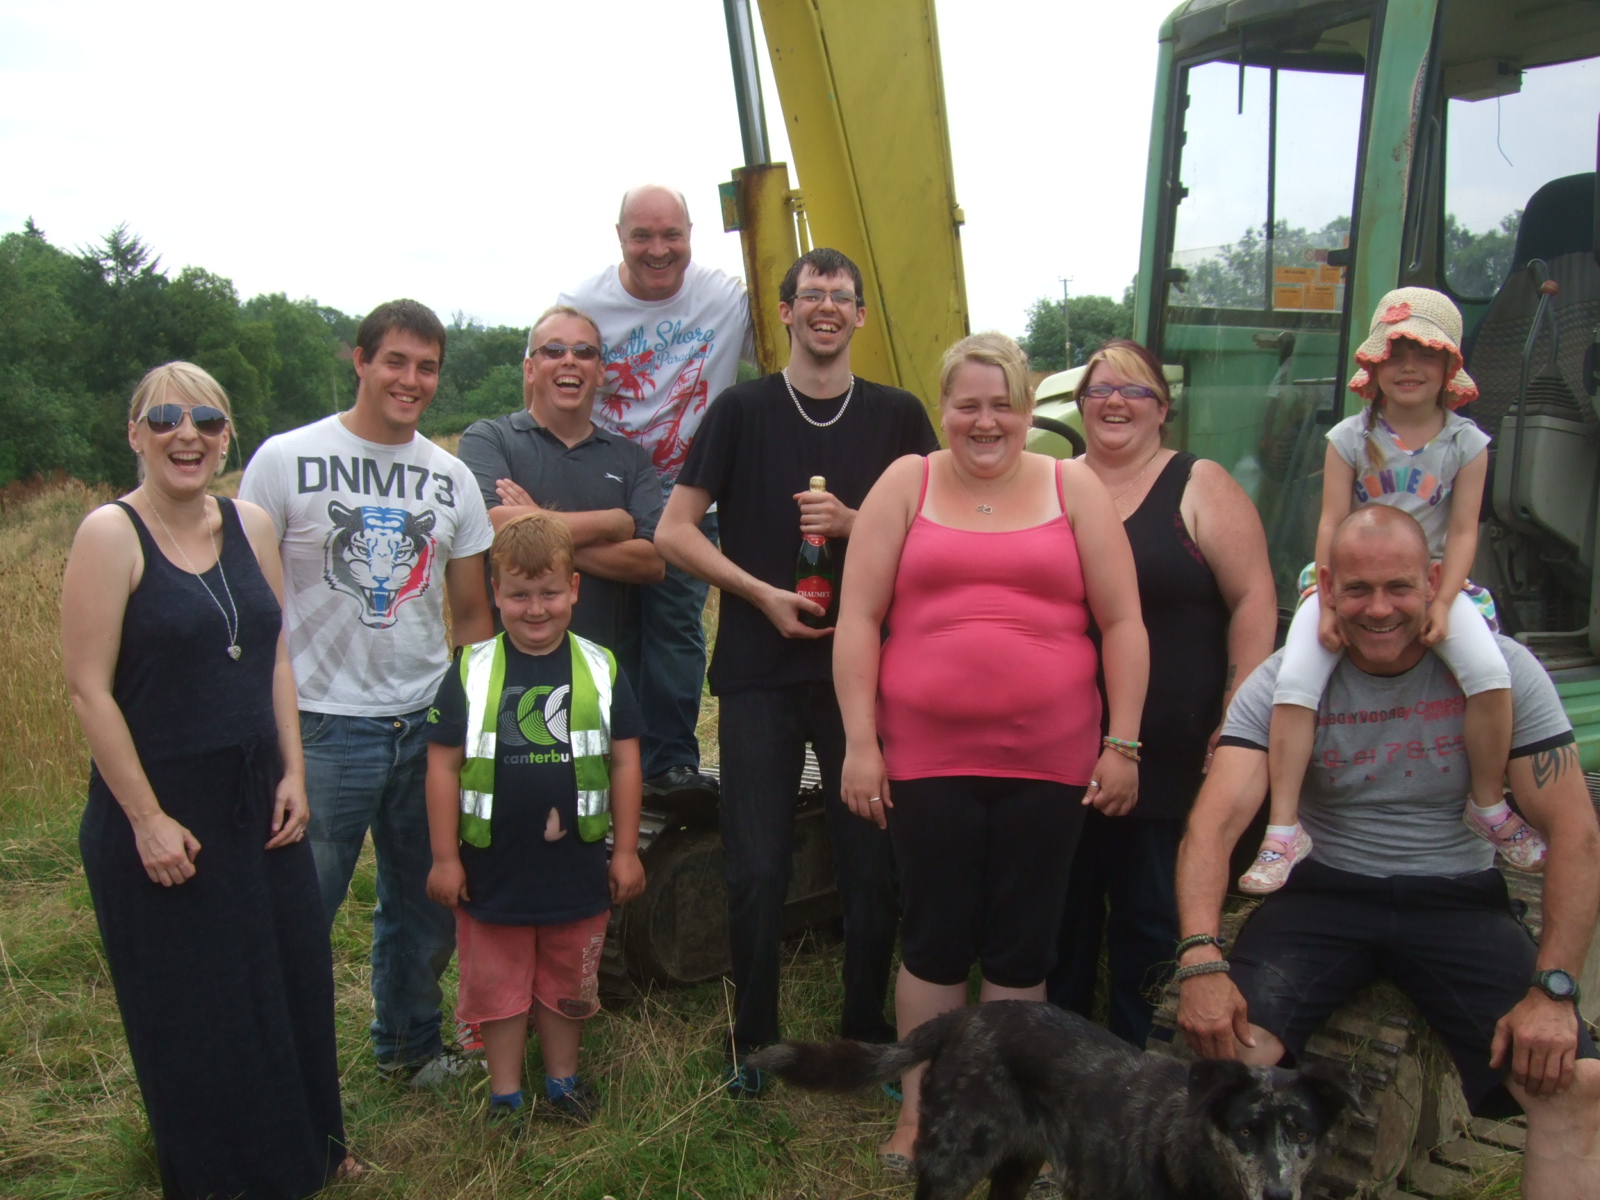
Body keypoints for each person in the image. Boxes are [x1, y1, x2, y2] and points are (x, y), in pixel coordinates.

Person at [1176, 506, 1600, 1200]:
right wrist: (1199, 957)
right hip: (1325, 891)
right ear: (1327, 588)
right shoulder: (1285, 682)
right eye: (1359, 590)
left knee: (1575, 1082)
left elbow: (1577, 834)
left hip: (1456, 894)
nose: (1379, 610)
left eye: (1400, 588)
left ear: (1436, 581)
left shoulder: (1504, 673)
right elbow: (1212, 826)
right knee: (1225, 1059)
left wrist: (1555, 990)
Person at [836, 331, 1148, 1170]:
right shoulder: (907, 481)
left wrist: (1123, 742)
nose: (985, 421)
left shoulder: (1071, 485)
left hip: (1051, 763)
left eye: (1001, 403)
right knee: (934, 941)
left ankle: (1010, 1119)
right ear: (943, 410)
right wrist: (860, 743)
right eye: (967, 405)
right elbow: (858, 618)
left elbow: (1122, 622)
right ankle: (922, 1113)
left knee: (1021, 951)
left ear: (1026, 410)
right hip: (924, 760)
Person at [63, 362, 353, 1197]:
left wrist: (294, 768)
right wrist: (146, 818)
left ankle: (313, 1153)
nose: (186, 434)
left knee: (292, 977)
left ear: (227, 437)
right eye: (164, 419)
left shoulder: (253, 525)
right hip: (162, 805)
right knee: (202, 1009)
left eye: (206, 420)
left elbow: (273, 654)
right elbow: (88, 688)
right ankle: (230, 1177)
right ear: (135, 434)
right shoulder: (109, 536)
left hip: (258, 796)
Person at [655, 247, 939, 1096]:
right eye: (809, 294)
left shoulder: (896, 417)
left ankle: (863, 1036)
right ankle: (754, 1043)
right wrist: (759, 594)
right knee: (757, 864)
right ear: (782, 314)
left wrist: (860, 523)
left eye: (840, 296)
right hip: (757, 670)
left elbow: (945, 522)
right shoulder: (740, 410)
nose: (824, 306)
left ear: (858, 317)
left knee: (868, 860)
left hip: (865, 675)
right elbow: (673, 531)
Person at [238, 299, 496, 1084]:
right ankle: (277, 1067)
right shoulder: (284, 460)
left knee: (425, 906)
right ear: (360, 360)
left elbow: (474, 614)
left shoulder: (452, 479)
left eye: (426, 367)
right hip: (320, 724)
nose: (410, 380)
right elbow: (253, 605)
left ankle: (411, 1049)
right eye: (395, 362)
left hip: (425, 722)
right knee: (296, 907)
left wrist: (472, 725)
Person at [1245, 287, 1534, 893]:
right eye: (1394, 352)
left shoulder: (1466, 443)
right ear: (1373, 366)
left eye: (1424, 354)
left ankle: (1487, 803)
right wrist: (1327, 602)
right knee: (1296, 679)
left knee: (1489, 672)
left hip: (1428, 583)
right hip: (1347, 582)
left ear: (1449, 367)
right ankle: (1283, 826)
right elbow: (1330, 522)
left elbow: (1460, 532)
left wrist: (1445, 599)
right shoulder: (1350, 437)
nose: (1408, 367)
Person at [1046, 339, 1276, 1048]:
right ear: (1079, 404)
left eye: (1135, 390)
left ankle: (1138, 1063)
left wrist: (1239, 714)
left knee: (1150, 915)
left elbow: (1254, 599)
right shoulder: (1048, 482)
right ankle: (1060, 1059)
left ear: (1163, 409)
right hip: (1060, 746)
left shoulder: (1198, 483)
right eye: (1100, 389)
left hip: (1169, 752)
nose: (1115, 402)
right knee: (1063, 915)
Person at [424, 514, 646, 1122]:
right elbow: (442, 769)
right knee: (497, 985)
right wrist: (445, 858)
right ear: (496, 595)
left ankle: (563, 1082)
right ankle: (505, 1094)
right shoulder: (469, 670)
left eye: (549, 593)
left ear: (575, 587)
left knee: (566, 981)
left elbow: (626, 764)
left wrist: (624, 851)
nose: (535, 609)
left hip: (577, 871)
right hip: (491, 872)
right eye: (518, 595)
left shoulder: (602, 669)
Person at [559, 184, 755, 800]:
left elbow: (790, 341)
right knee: (602, 633)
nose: (658, 249)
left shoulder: (725, 298)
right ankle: (594, 763)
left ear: (692, 234)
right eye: (642, 236)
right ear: (620, 237)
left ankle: (669, 765)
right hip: (608, 496)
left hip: (691, 500)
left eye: (672, 235)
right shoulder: (584, 303)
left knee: (674, 632)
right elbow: (551, 380)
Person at [457, 304, 664, 651]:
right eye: (553, 350)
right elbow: (491, 526)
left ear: (599, 372)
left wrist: (530, 529)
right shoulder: (489, 439)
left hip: (606, 673)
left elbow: (651, 563)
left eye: (584, 352)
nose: (569, 359)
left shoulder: (630, 458)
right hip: (509, 672)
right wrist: (613, 523)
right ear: (530, 369)